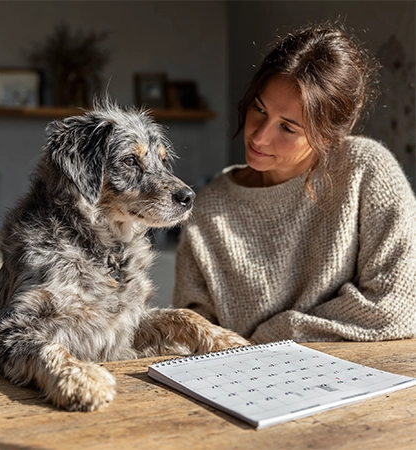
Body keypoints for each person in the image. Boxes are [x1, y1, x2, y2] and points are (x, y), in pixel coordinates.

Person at [172, 22, 416, 343]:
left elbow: (398, 304)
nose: (258, 136)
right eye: (259, 109)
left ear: (328, 137)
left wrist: (279, 333)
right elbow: (189, 338)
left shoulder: (366, 171)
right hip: (249, 387)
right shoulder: (208, 210)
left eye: (287, 128)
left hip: (361, 384)